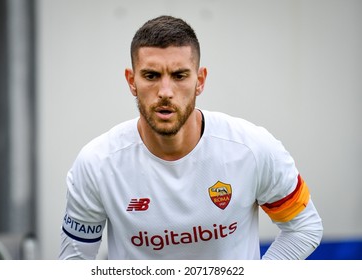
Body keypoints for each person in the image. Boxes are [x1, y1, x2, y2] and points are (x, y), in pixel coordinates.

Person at [59, 15, 323, 260]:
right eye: (151, 75)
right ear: (131, 81)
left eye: (179, 76)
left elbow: (304, 227)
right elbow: (75, 261)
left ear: (200, 80)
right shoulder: (97, 163)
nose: (165, 91)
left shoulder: (252, 148)